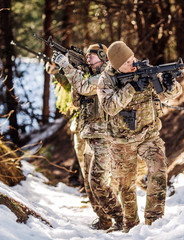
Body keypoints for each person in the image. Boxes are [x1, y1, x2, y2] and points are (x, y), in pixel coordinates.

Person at [97, 41, 183, 232]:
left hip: (148, 135)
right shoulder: (106, 80)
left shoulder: (145, 69)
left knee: (159, 169)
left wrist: (171, 85)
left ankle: (154, 222)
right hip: (121, 141)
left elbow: (170, 94)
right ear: (116, 65)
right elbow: (110, 107)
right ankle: (131, 226)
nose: (133, 63)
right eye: (127, 62)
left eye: (132, 58)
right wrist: (132, 88)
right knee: (125, 186)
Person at [51, 43, 123, 231]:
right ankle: (104, 219)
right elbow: (77, 99)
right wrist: (74, 71)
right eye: (87, 56)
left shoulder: (107, 76)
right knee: (89, 182)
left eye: (92, 56)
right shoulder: (90, 76)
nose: (88, 58)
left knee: (99, 181)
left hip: (105, 135)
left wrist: (67, 66)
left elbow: (84, 88)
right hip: (90, 135)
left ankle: (120, 218)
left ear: (102, 56)